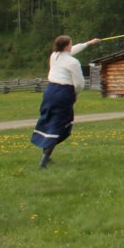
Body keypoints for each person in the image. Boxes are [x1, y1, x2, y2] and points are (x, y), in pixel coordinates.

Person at [31, 35, 101, 168]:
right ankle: (44, 160)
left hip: (50, 91)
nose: (72, 46)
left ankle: (46, 155)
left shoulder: (55, 55)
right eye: (70, 44)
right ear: (66, 46)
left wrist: (89, 43)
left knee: (49, 120)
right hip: (63, 92)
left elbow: (73, 50)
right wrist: (75, 96)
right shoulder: (73, 62)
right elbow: (80, 83)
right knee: (60, 124)